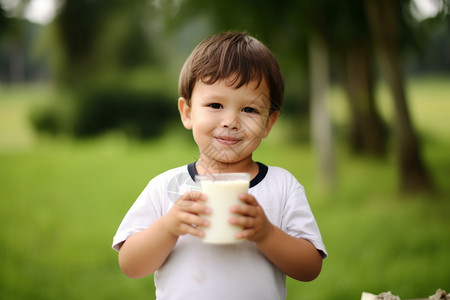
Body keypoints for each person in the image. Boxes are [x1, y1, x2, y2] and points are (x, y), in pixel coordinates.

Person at [112, 31, 327, 300]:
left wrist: (266, 233)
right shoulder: (169, 187)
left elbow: (310, 268)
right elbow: (130, 265)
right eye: (215, 104)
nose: (230, 121)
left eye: (249, 110)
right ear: (187, 113)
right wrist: (168, 227)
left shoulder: (282, 186)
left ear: (269, 123)